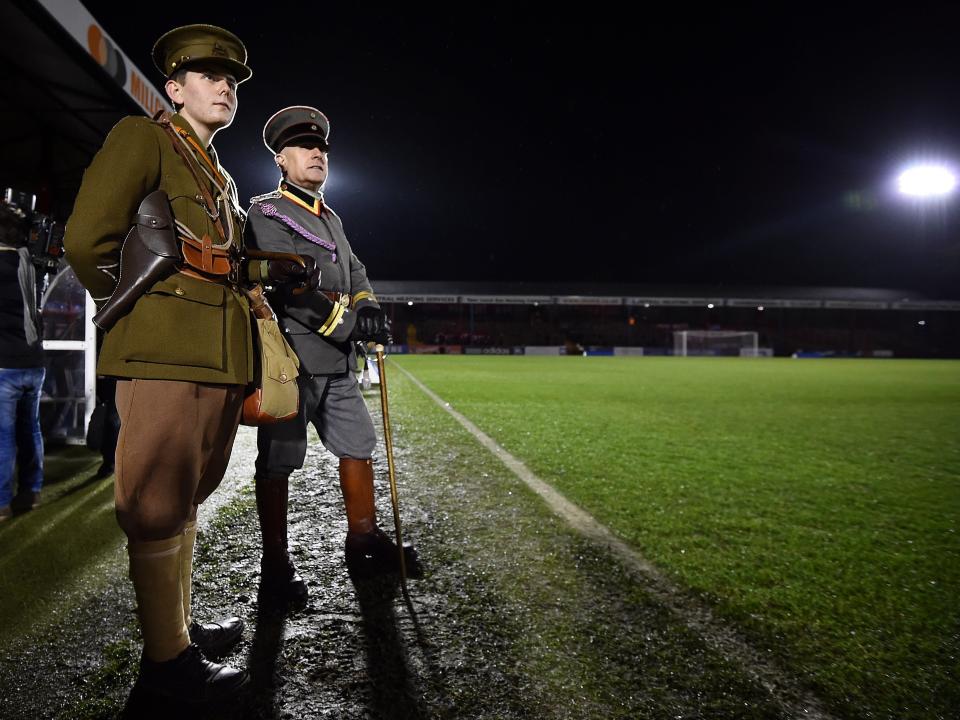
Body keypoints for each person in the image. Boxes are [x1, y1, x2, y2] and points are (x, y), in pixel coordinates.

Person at [64, 25, 314, 702]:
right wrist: (143, 310)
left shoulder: (219, 172)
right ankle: (166, 672)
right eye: (207, 76)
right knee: (152, 505)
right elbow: (88, 242)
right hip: (168, 347)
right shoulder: (142, 138)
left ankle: (172, 630)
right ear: (173, 89)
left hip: (218, 354)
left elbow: (219, 260)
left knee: (183, 497)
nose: (224, 85)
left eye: (230, 79)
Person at [244, 106, 420, 603]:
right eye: (304, 147)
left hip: (338, 365)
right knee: (278, 462)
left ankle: (362, 541)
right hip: (291, 363)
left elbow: (357, 271)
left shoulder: (331, 215)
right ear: (281, 159)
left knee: (358, 444)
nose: (317, 154)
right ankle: (275, 565)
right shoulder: (267, 212)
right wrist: (348, 326)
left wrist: (369, 307)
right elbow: (290, 288)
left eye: (321, 148)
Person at [0, 203, 45, 521]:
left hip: (5, 364)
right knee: (31, 431)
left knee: (3, 436)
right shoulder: (28, 260)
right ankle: (31, 492)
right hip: (34, 360)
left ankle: (1, 501)